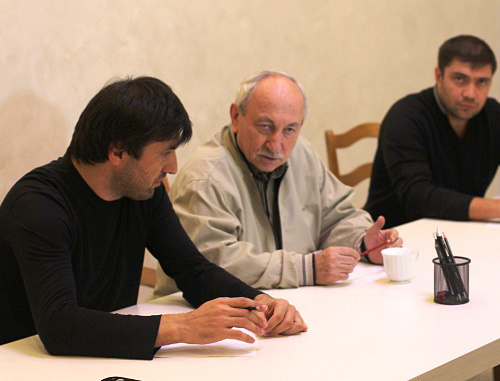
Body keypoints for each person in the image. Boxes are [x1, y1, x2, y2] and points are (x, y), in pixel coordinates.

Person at [0, 76, 307, 359]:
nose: (173, 167)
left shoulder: (142, 191)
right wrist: (182, 327)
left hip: (101, 361)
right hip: (25, 364)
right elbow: (59, 326)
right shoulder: (38, 207)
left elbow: (191, 269)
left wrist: (260, 302)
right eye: (165, 152)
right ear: (118, 153)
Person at [154, 71, 402, 297]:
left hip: (287, 303)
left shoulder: (301, 153)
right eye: (265, 126)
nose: (276, 145)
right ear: (236, 116)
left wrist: (363, 241)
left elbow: (336, 217)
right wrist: (307, 269)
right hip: (202, 317)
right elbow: (211, 267)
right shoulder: (205, 177)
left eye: (290, 130)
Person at [365, 35, 500, 228]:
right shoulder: (405, 117)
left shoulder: (493, 115)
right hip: (397, 239)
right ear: (439, 76)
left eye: (482, 82)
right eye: (460, 79)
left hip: (462, 230)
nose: (470, 93)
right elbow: (418, 198)